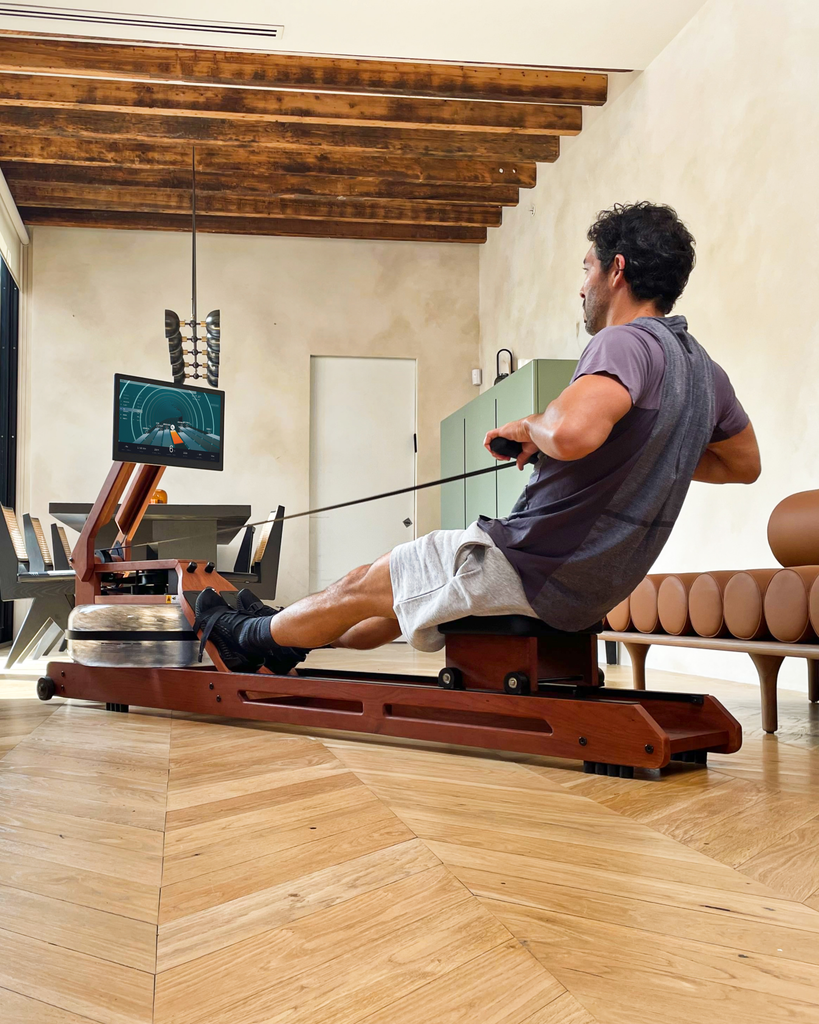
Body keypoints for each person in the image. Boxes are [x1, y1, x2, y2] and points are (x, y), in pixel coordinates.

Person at [196, 201, 761, 674]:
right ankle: (284, 643)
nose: (581, 285)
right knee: (393, 603)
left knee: (366, 579)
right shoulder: (705, 372)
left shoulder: (624, 343)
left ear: (617, 271)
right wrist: (645, 448)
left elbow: (573, 430)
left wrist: (530, 427)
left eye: (586, 268)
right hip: (592, 587)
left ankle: (248, 636)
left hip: (532, 568)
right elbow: (743, 464)